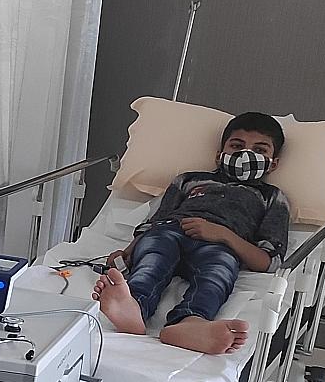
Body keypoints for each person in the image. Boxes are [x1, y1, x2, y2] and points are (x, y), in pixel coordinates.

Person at [94, 112, 291, 354]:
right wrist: (126, 253)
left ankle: (191, 322)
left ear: (273, 163)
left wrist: (222, 234)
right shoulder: (189, 180)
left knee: (217, 274)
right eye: (237, 146)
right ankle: (132, 306)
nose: (246, 154)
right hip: (171, 231)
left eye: (260, 150)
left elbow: (268, 261)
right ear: (219, 155)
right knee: (152, 259)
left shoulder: (272, 197)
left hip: (222, 245)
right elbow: (155, 222)